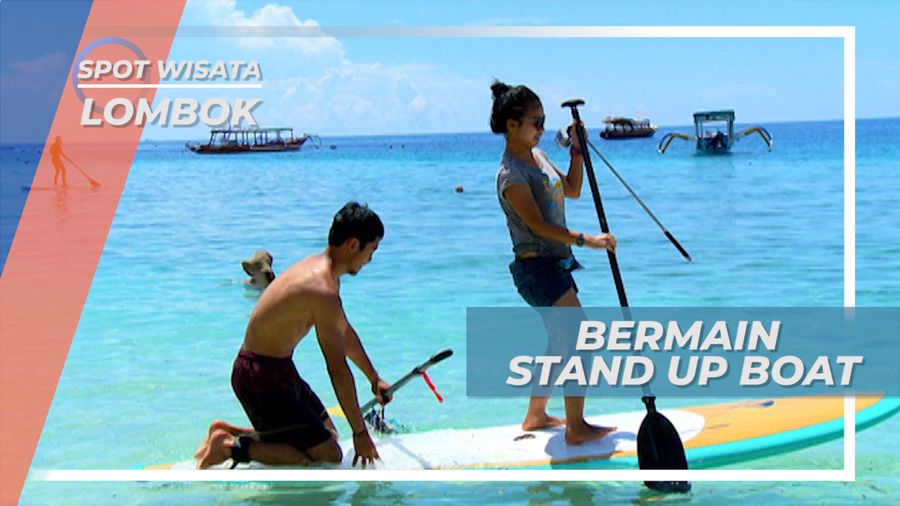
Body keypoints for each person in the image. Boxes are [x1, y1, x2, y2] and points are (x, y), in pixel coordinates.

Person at [196, 202, 392, 469]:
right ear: (353, 245)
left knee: (330, 436)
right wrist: (360, 433)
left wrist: (373, 377)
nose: (370, 259)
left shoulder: (321, 269)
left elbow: (343, 332)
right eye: (372, 250)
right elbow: (337, 368)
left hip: (276, 370)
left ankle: (226, 430)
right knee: (327, 456)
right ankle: (229, 448)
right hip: (259, 378)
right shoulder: (321, 289)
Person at [490, 80, 618, 445]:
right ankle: (576, 428)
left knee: (561, 342)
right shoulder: (511, 175)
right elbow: (538, 226)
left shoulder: (539, 156)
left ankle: (535, 414)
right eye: (536, 122)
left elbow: (573, 189)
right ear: (512, 125)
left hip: (554, 267)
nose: (543, 129)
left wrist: (577, 150)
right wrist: (589, 240)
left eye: (544, 120)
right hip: (537, 269)